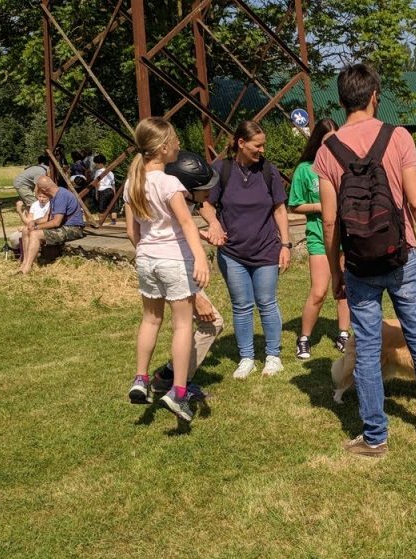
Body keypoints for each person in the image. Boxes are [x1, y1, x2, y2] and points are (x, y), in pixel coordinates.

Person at [314, 63, 416, 458]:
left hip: (359, 265)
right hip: (402, 256)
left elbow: (329, 222)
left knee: (368, 347)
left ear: (342, 101)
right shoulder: (398, 138)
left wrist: (336, 270)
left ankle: (375, 436)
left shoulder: (327, 151)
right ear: (375, 95)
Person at [122, 117, 210, 423]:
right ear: (162, 147)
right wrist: (200, 257)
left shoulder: (133, 182)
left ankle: (141, 378)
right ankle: (179, 392)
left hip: (146, 259)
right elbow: (186, 222)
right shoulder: (170, 183)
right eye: (174, 140)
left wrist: (146, 248)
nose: (179, 145)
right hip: (174, 260)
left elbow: (132, 231)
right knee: (183, 325)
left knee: (150, 319)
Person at [200, 120, 292, 380]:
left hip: (265, 250)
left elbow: (279, 209)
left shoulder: (269, 172)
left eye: (263, 145)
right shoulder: (221, 170)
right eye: (257, 145)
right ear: (241, 143)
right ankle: (246, 358)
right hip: (232, 254)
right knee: (241, 305)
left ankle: (273, 356)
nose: (262, 150)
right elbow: (205, 204)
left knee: (266, 301)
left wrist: (285, 245)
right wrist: (215, 223)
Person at [288, 118, 351, 360]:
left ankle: (343, 333)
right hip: (319, 236)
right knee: (319, 290)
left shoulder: (345, 164)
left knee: (345, 287)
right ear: (317, 141)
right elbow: (295, 205)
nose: (332, 146)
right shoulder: (305, 169)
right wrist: (322, 205)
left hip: (347, 237)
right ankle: (304, 338)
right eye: (327, 141)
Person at [149, 292, 224, 400]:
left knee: (207, 324)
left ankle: (166, 377)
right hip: (182, 283)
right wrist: (196, 296)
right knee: (212, 324)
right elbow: (176, 274)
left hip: (177, 281)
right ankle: (182, 386)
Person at [17, 176, 86, 274]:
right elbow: (47, 218)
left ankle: (27, 268)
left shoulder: (61, 196)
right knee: (25, 230)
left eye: (38, 189)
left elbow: (56, 222)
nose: (37, 192)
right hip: (63, 227)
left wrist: (36, 227)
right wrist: (34, 222)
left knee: (35, 234)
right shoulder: (55, 196)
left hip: (73, 228)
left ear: (44, 189)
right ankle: (24, 263)